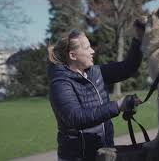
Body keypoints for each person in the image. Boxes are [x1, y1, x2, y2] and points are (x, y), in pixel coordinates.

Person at [47, 23, 144, 161]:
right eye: (87, 48)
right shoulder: (60, 83)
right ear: (73, 55)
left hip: (104, 154)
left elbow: (128, 67)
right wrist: (117, 106)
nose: (92, 51)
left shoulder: (96, 72)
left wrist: (139, 39)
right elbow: (76, 117)